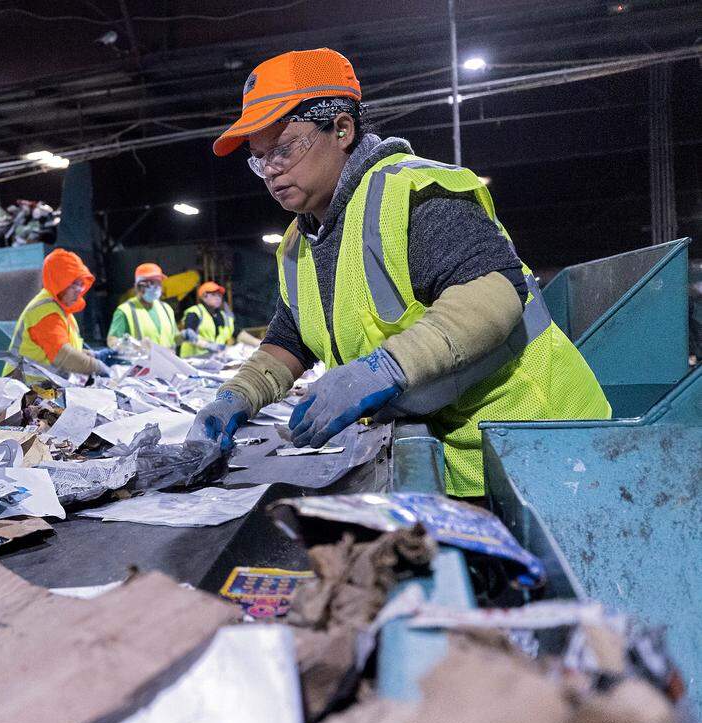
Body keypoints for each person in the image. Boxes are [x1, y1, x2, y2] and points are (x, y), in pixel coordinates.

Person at [188, 49, 610, 497]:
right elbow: (291, 338)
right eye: (259, 159)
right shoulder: (299, 243)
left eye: (284, 150)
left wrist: (382, 369)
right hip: (448, 458)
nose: (271, 171)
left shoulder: (410, 193)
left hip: (545, 447)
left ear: (342, 129)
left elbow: (494, 294)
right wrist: (235, 396)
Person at [3, 248, 111, 379]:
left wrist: (92, 355)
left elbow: (64, 350)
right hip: (23, 392)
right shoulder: (45, 312)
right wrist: (96, 366)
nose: (79, 290)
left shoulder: (62, 310)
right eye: (74, 284)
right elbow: (64, 356)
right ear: (59, 282)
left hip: (39, 391)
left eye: (80, 284)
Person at [179, 281, 262, 357]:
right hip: (192, 359)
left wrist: (259, 344)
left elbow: (237, 333)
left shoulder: (223, 316)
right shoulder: (195, 313)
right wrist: (210, 346)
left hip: (213, 359)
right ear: (204, 296)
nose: (218, 298)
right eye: (214, 295)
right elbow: (188, 335)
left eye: (219, 295)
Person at [106, 262, 178, 349]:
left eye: (158, 282)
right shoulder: (125, 311)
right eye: (151, 283)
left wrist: (184, 336)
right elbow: (112, 341)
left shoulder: (167, 309)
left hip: (166, 362)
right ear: (138, 286)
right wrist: (135, 346)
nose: (156, 287)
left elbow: (173, 338)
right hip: (140, 362)